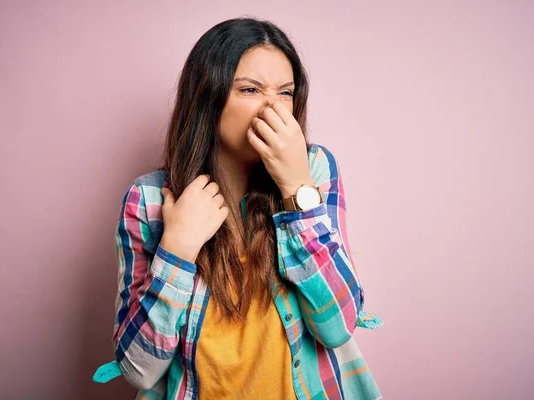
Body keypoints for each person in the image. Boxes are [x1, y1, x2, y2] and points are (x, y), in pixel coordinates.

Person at [93, 17, 384, 400]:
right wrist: (177, 249)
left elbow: (337, 326)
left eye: (285, 93)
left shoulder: (313, 170)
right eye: (250, 89)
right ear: (208, 99)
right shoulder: (148, 200)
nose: (273, 108)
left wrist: (297, 189)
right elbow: (139, 371)